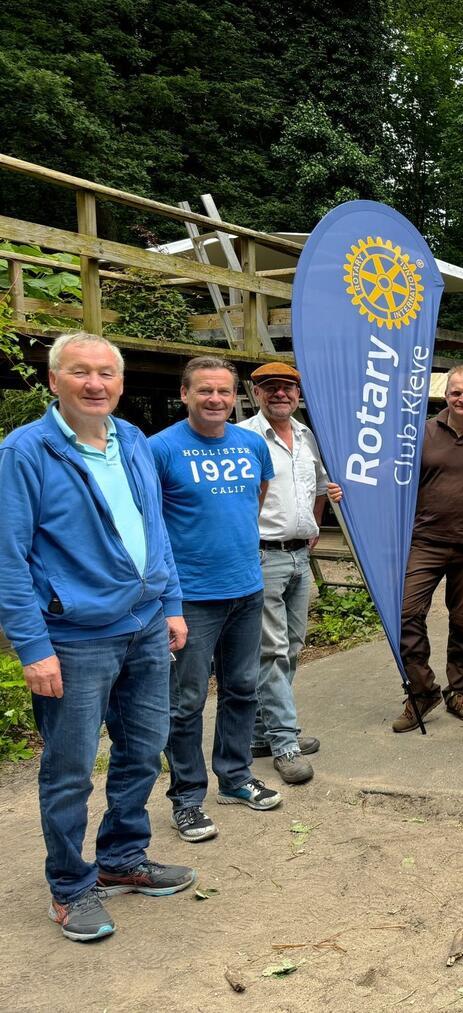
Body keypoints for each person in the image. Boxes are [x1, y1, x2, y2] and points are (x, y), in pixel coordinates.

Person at [0, 332, 195, 942]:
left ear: (120, 381)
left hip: (142, 626)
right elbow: (8, 557)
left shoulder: (132, 439)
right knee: (69, 769)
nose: (95, 384)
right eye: (80, 372)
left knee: (144, 748)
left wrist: (170, 602)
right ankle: (71, 885)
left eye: (106, 373)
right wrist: (32, 646)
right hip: (73, 638)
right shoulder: (24, 452)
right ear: (54, 380)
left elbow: (153, 527)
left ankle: (122, 858)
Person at [151, 356, 278, 841]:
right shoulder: (160, 448)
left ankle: (236, 776)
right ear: (184, 394)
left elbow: (256, 497)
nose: (215, 400)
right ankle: (187, 798)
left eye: (224, 391)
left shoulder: (250, 444)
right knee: (185, 702)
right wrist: (167, 601)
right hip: (189, 598)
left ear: (235, 396)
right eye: (204, 391)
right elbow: (149, 520)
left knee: (243, 689)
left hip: (247, 587)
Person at [238, 361, 343, 784]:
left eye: (288, 388)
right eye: (271, 388)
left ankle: (262, 734)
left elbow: (319, 488)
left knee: (293, 645)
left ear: (298, 394)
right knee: (272, 650)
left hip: (299, 555)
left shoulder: (305, 436)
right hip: (263, 554)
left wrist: (314, 527)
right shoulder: (243, 437)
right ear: (256, 393)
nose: (281, 394)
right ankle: (284, 743)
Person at [392, 366, 463, 732]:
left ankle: (459, 692)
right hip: (424, 541)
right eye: (456, 393)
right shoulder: (421, 432)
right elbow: (393, 478)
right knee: (405, 615)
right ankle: (422, 691)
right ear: (446, 396)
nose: (462, 399)